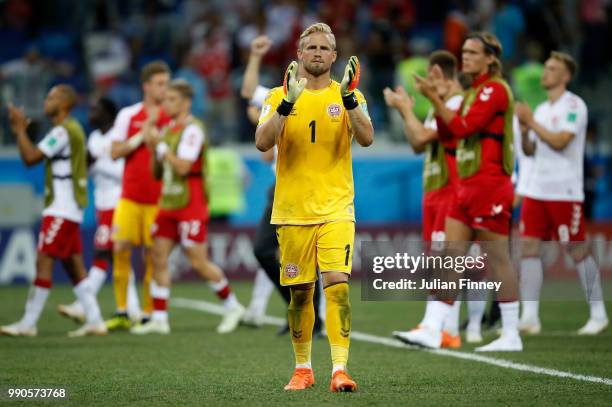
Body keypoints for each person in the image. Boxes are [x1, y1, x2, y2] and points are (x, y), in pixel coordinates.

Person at [255, 23, 374, 392]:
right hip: (292, 211)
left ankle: (340, 369)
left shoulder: (349, 94)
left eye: (325, 48)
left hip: (337, 208)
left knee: (337, 285)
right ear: (300, 54)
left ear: (335, 56)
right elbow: (262, 142)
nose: (319, 53)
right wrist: (288, 104)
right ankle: (303, 368)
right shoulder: (278, 95)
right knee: (301, 292)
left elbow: (367, 137)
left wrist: (351, 99)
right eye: (312, 48)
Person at [395, 32, 522, 352]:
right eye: (463, 51)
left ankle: (511, 334)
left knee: (497, 259)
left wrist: (436, 100)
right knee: (450, 256)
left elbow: (464, 128)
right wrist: (437, 100)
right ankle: (433, 328)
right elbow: (450, 135)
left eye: (473, 52)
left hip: (490, 184)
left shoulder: (495, 90)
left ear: (490, 58)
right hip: (466, 186)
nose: (465, 57)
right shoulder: (472, 93)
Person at [1, 85, 106, 337]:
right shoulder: (73, 130)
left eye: (51, 97)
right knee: (74, 268)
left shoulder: (62, 132)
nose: (46, 101)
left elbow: (30, 157)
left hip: (62, 209)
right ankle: (95, 320)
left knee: (43, 259)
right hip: (69, 208)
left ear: (65, 104)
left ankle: (28, 324)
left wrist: (18, 130)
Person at [515, 51, 608, 335]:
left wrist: (531, 122)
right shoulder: (542, 109)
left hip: (564, 191)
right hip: (537, 190)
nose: (545, 73)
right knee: (529, 247)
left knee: (576, 248)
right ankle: (529, 317)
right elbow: (532, 151)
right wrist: (524, 129)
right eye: (545, 67)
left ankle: (598, 313)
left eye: (552, 68)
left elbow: (560, 141)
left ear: (565, 76)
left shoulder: (574, 106)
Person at [240, 34, 323, 333]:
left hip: (317, 187)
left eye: (321, 50)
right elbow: (248, 91)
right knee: (264, 250)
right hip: (282, 187)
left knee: (313, 255)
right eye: (306, 54)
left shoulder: (329, 95)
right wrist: (255, 55)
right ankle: (301, 308)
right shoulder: (281, 93)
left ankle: (313, 318)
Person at [385, 50, 466, 348]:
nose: (428, 86)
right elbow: (417, 145)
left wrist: (406, 109)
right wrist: (405, 112)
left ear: (443, 75)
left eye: (432, 78)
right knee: (437, 261)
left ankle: (442, 328)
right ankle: (448, 330)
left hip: (449, 188)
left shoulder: (456, 104)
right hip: (433, 189)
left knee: (447, 260)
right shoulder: (438, 107)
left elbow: (420, 138)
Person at [57, 98, 142, 323]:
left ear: (109, 115)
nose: (91, 113)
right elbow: (88, 171)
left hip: (119, 203)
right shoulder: (94, 138)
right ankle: (133, 309)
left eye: (97, 110)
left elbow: (123, 171)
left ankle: (84, 304)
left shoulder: (118, 136)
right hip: (102, 204)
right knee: (118, 256)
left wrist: (98, 162)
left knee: (102, 252)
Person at [106, 61, 172, 331]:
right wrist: (141, 135)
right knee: (120, 248)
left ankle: (147, 314)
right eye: (160, 83)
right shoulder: (128, 115)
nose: (164, 89)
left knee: (152, 256)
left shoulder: (171, 117)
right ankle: (122, 311)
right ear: (146, 86)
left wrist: (155, 135)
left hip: (158, 199)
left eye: (167, 83)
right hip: (130, 196)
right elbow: (114, 152)